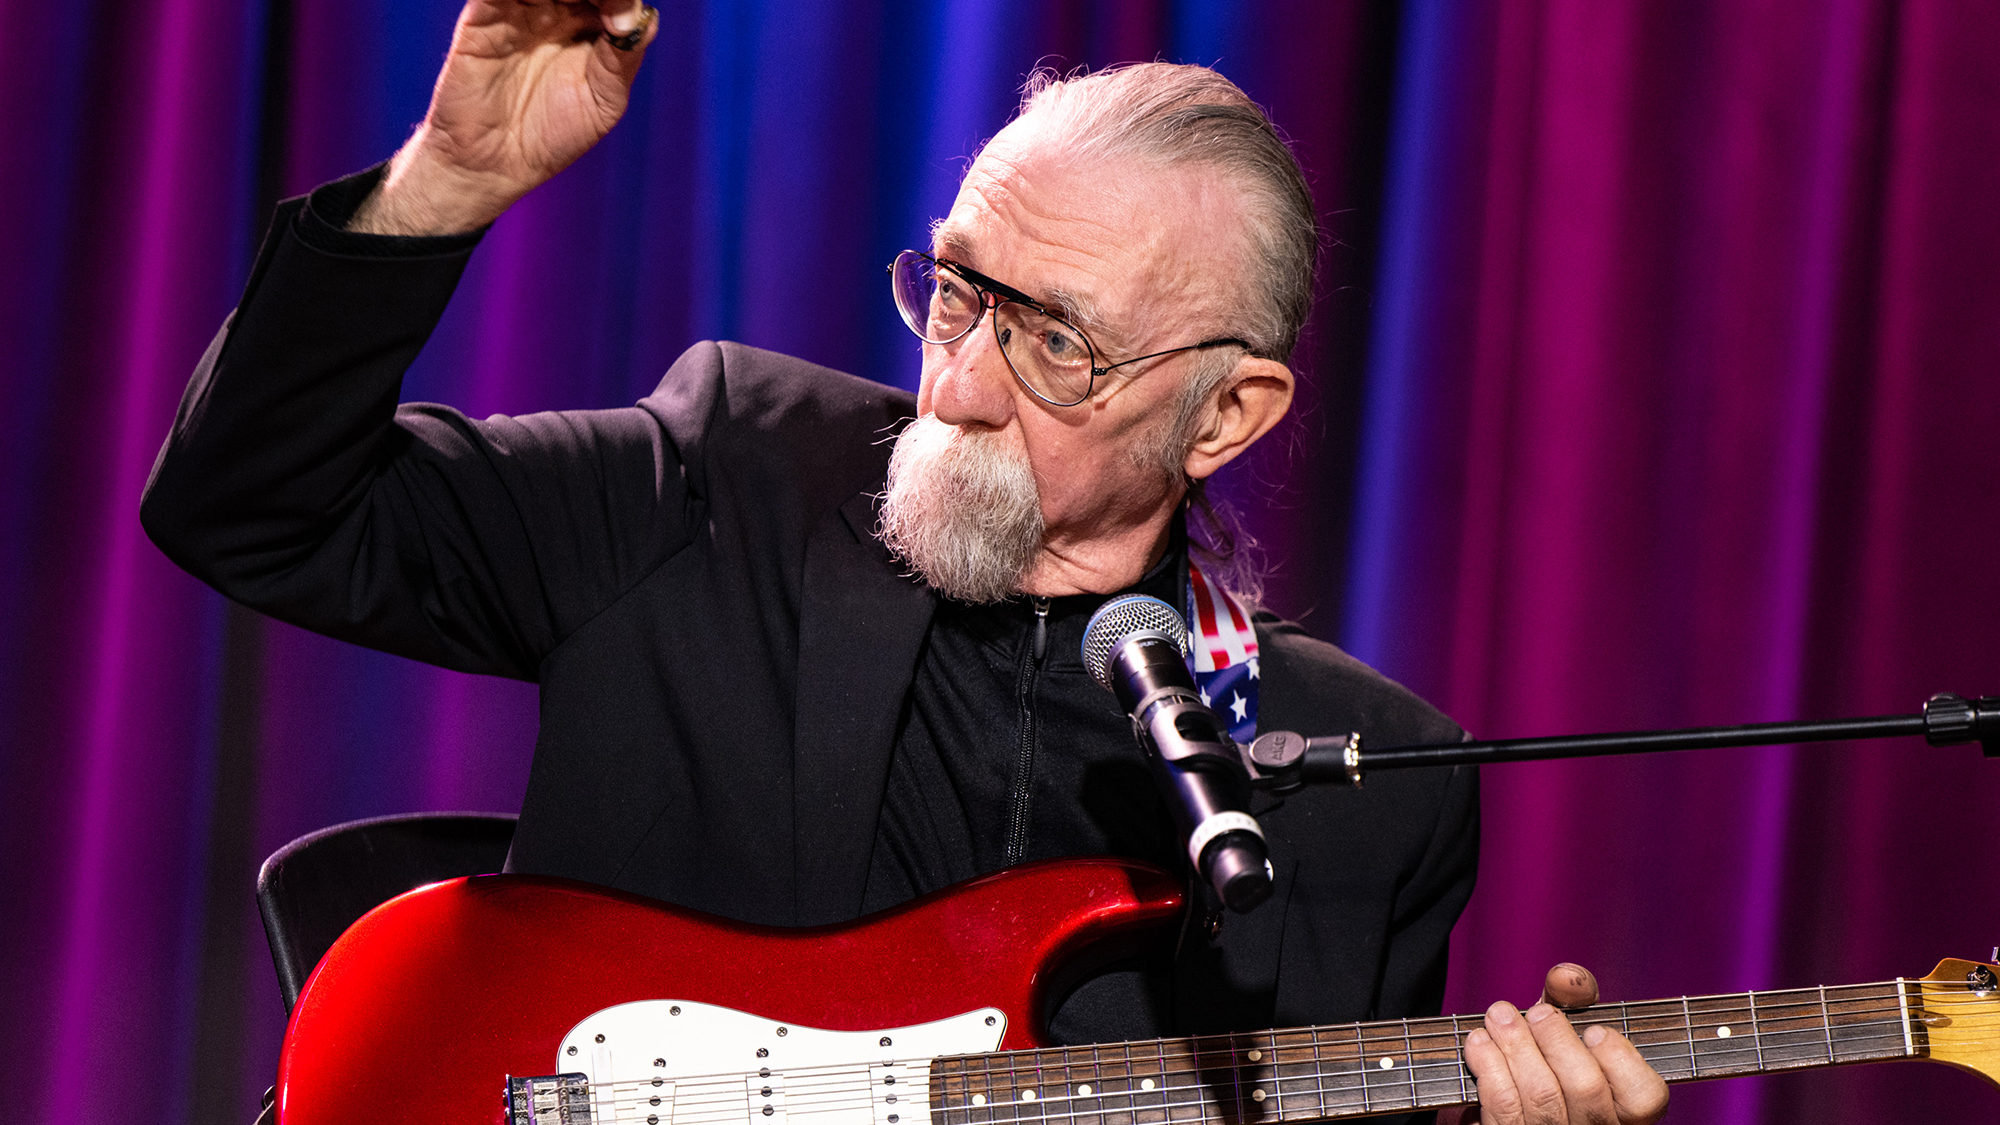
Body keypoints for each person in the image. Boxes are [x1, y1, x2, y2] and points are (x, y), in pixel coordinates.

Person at [140, 3, 1668, 1123]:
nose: (959, 384)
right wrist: (445, 183)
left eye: (1054, 340)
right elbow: (252, 507)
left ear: (1228, 412)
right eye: (954, 292)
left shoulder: (1376, 786)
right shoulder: (726, 475)